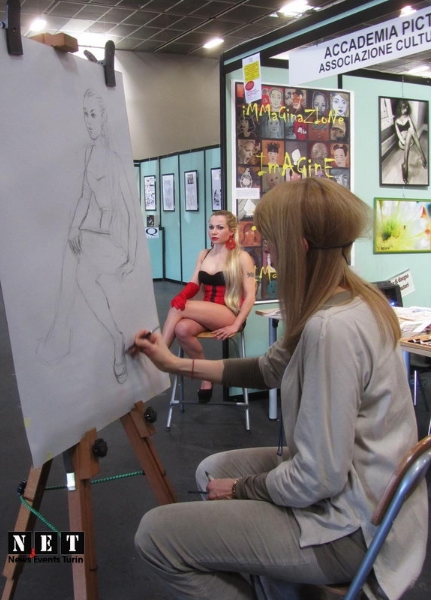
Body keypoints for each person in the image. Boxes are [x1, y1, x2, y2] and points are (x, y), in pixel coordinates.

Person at [130, 178, 427, 600]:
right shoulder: (351, 299)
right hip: (362, 490)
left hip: (353, 525)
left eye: (270, 243)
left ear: (299, 247)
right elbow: (269, 369)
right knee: (212, 470)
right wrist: (176, 364)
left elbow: (318, 477)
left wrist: (244, 487)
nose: (265, 254)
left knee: (156, 537)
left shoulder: (331, 329)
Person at [37, 88, 137, 384]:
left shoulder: (116, 160)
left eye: (93, 114)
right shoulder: (89, 153)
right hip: (97, 236)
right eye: (85, 114)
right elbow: (84, 196)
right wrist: (72, 227)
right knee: (72, 248)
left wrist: (132, 256)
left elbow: (131, 212)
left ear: (104, 117)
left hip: (115, 242)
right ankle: (67, 333)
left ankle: (66, 333)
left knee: (77, 266)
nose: (88, 121)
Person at [160, 210, 255, 402]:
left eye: (220, 227)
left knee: (179, 307)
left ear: (231, 231)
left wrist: (236, 325)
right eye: (211, 227)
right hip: (207, 310)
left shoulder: (242, 257)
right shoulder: (204, 254)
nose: (214, 231)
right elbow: (194, 284)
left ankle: (159, 356)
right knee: (181, 329)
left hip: (229, 313)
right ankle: (206, 376)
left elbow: (251, 295)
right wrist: (182, 295)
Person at [394, 99, 428, 184]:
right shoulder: (396, 120)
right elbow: (398, 134)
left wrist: (411, 140)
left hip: (410, 140)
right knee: (410, 130)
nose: (405, 110)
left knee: (411, 129)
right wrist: (403, 141)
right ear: (400, 108)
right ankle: (421, 158)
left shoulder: (408, 117)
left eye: (406, 108)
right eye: (403, 108)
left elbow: (413, 130)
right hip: (402, 143)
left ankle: (405, 164)